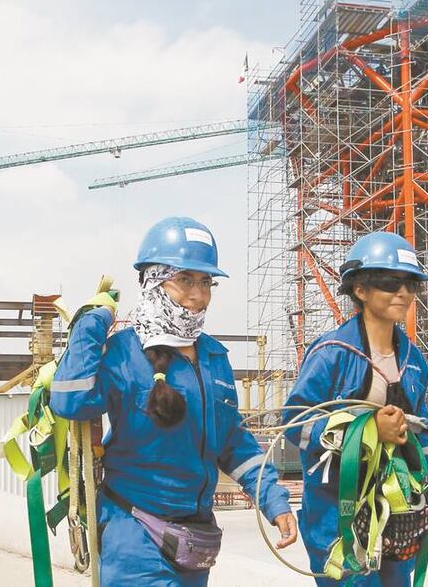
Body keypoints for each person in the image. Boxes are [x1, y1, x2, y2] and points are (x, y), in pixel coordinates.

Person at [50, 216, 297, 586]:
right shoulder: (124, 352)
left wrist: (274, 500)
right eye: (184, 280)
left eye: (205, 282)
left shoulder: (214, 357)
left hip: (194, 542)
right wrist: (90, 325)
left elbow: (233, 442)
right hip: (134, 536)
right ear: (153, 281)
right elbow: (71, 402)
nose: (198, 293)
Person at [283, 231, 428, 586]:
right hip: (337, 517)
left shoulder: (414, 361)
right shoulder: (331, 354)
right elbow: (296, 423)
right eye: (390, 283)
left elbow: (425, 446)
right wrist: (369, 428)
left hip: (398, 516)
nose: (403, 293)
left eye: (411, 284)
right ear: (360, 289)